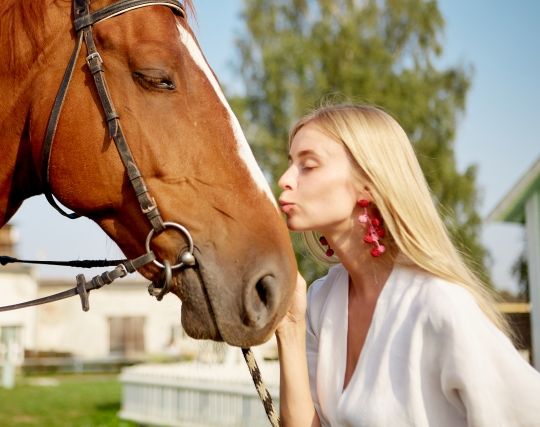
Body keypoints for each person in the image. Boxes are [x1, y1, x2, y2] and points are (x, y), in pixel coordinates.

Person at [275, 104, 540, 427]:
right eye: (291, 164)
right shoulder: (319, 301)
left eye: (309, 166)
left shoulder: (439, 305)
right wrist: (289, 324)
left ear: (368, 183)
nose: (284, 179)